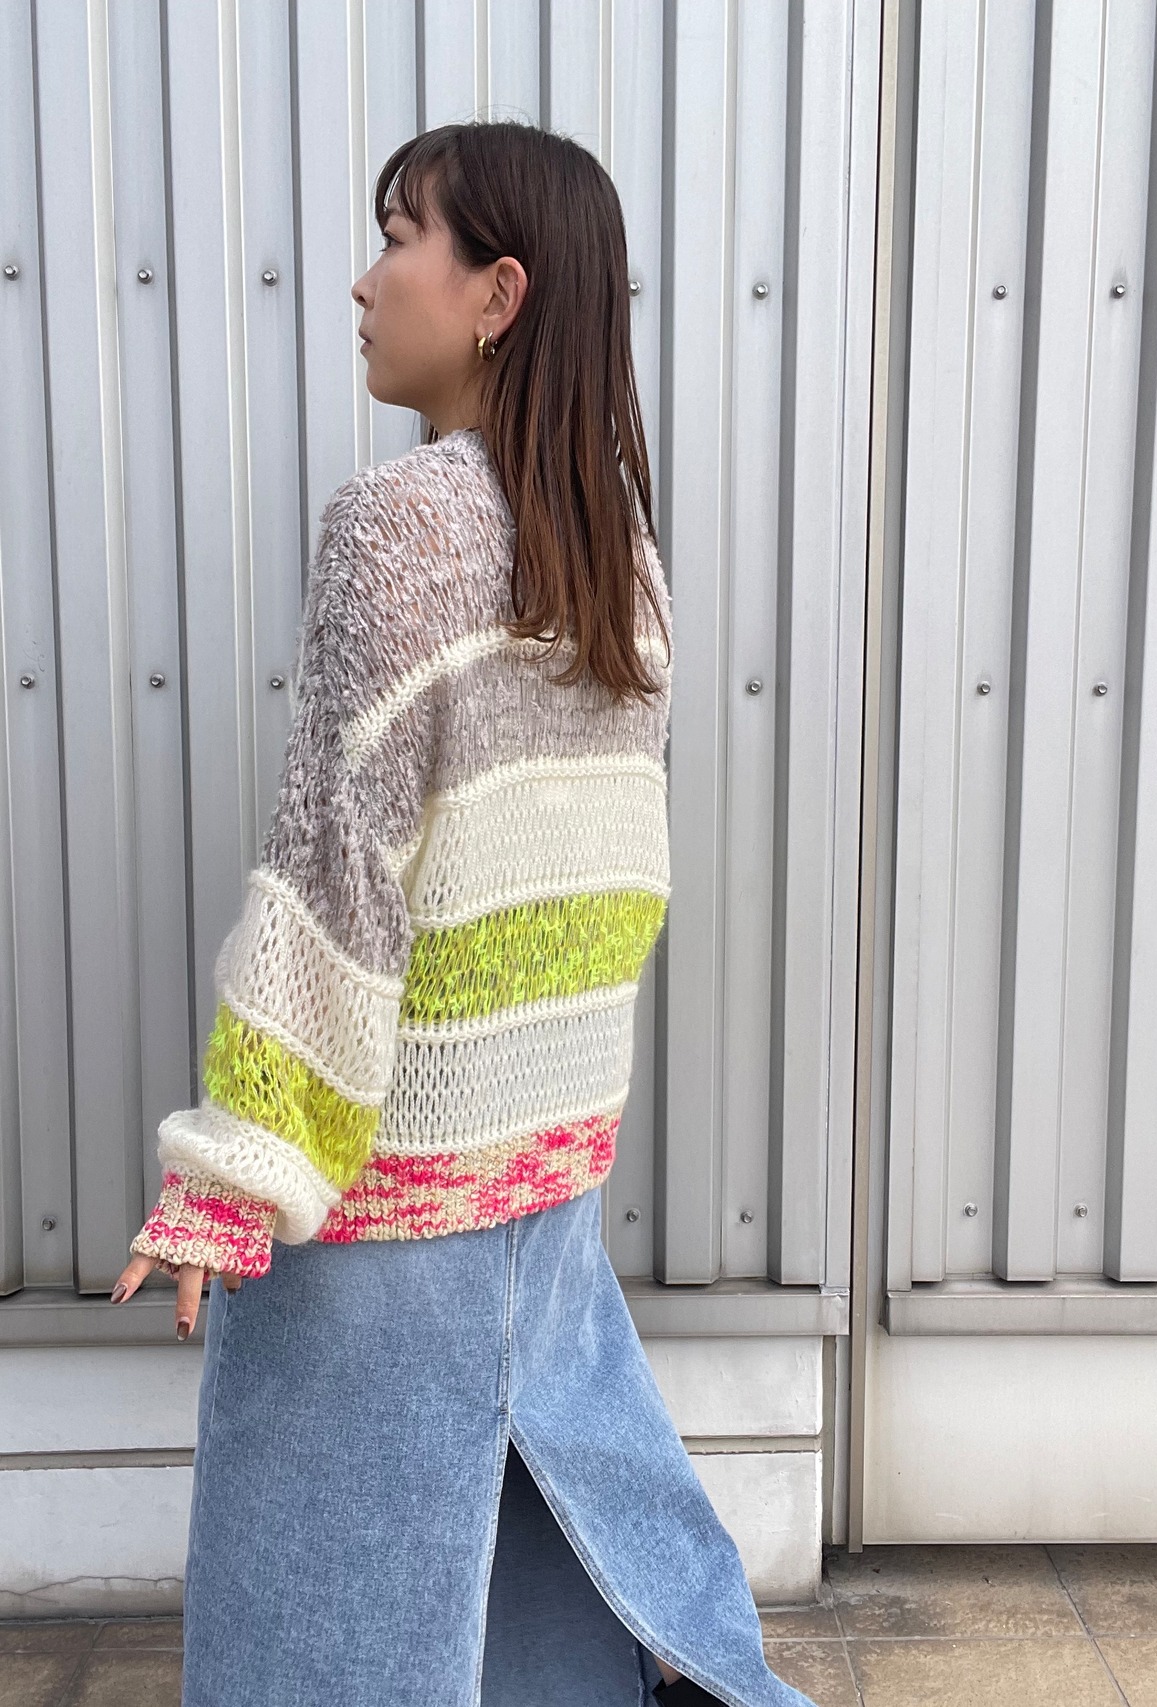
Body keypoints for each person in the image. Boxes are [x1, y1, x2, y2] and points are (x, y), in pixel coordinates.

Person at [112, 119, 818, 1707]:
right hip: (540, 1181)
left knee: (325, 1628)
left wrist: (232, 1175)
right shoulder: (619, 556)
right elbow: (611, 883)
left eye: (397, 238)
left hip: (380, 1199)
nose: (364, 282)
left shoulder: (394, 530)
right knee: (537, 1576)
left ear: (498, 294)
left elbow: (336, 879)